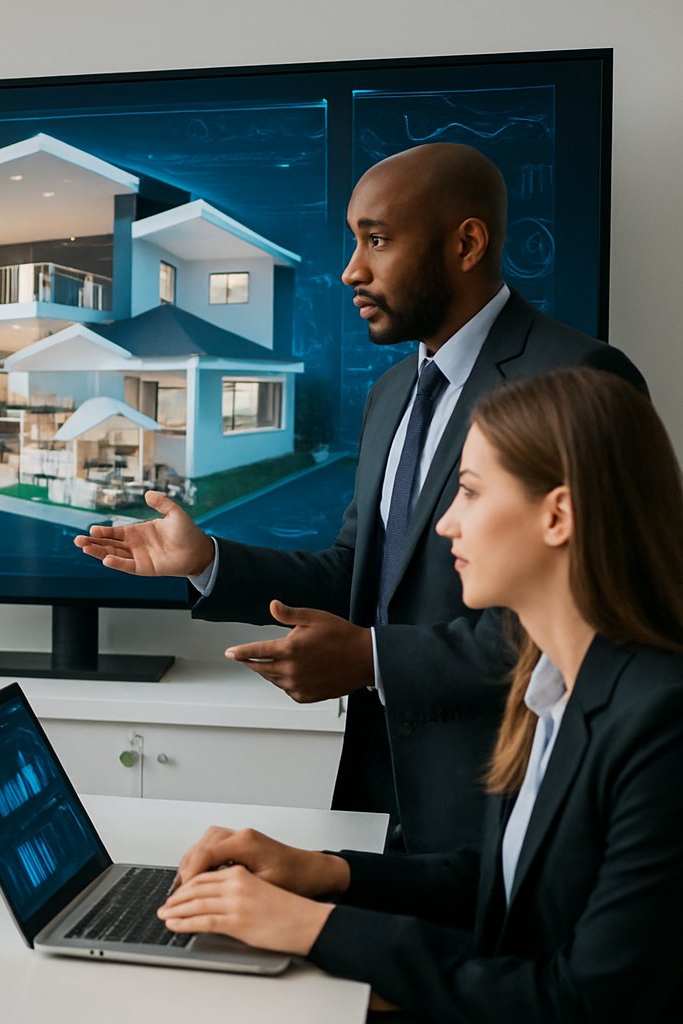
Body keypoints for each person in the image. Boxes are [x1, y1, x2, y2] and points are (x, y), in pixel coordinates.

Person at [75, 142, 645, 853]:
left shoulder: (578, 376)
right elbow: (360, 573)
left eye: (377, 240)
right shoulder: (391, 393)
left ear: (467, 242)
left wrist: (375, 660)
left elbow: (589, 621)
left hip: (500, 799)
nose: (352, 270)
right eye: (354, 241)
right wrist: (207, 561)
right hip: (379, 790)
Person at [157, 368, 683, 1020]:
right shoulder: (549, 689)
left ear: (558, 515)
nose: (445, 525)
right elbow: (497, 884)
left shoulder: (661, 726)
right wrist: (322, 873)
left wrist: (310, 929)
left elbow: (576, 1003)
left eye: (467, 492)